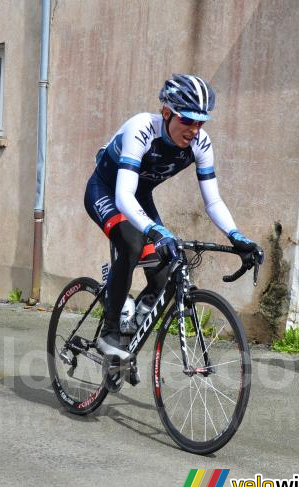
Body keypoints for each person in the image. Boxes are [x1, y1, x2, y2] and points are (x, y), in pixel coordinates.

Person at [83, 74, 261, 363]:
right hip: (107, 191)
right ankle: (110, 331)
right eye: (187, 120)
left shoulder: (201, 144)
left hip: (140, 197)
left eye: (201, 122)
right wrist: (155, 230)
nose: (194, 130)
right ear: (166, 112)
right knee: (131, 244)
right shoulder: (142, 128)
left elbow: (213, 201)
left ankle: (131, 328)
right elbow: (123, 196)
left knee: (166, 269)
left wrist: (237, 236)